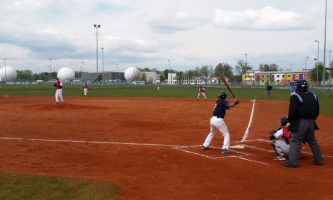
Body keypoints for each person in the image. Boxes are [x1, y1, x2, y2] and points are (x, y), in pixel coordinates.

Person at [282, 80, 323, 168]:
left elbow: (292, 111)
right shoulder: (314, 96)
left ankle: (293, 162)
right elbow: (317, 110)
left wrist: (291, 121)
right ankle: (319, 160)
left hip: (300, 122)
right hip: (311, 122)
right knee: (312, 141)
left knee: (295, 141)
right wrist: (312, 119)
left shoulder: (295, 96)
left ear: (298, 87)